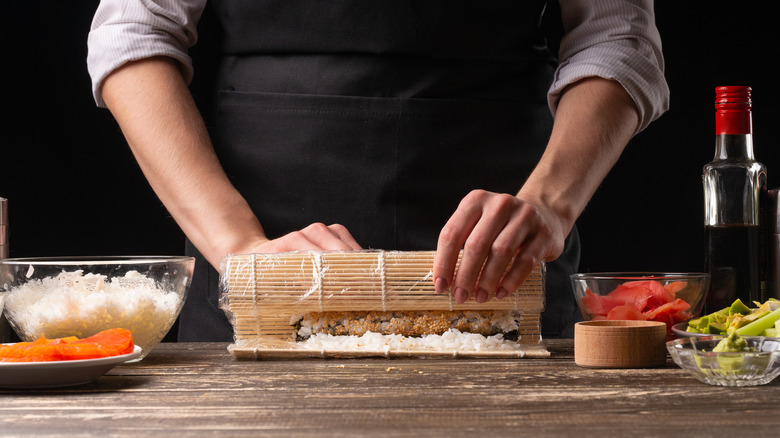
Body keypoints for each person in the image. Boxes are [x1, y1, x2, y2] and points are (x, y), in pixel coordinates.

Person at [87, 0, 669, 340]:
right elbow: (131, 30)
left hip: (500, 257)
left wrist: (551, 201)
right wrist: (239, 246)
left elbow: (617, 36)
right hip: (262, 247)